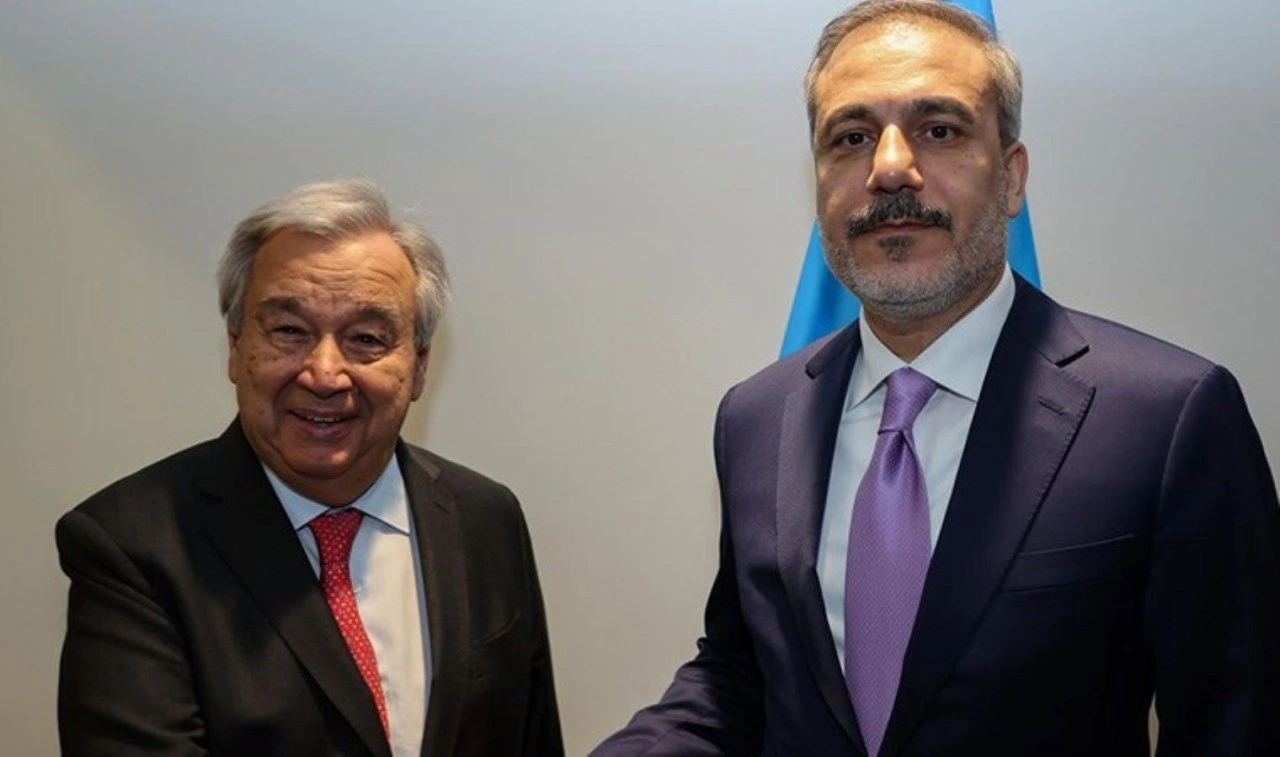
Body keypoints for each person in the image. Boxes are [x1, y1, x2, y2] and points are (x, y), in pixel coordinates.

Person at [594, 1, 1280, 755]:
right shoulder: (756, 418)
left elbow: (1234, 722)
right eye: (852, 138)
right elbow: (741, 678)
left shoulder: (1170, 417)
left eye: (939, 130)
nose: (890, 168)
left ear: (1011, 177)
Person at [56, 178, 563, 756]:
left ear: (419, 366)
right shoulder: (131, 546)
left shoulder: (485, 518)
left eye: (366, 338)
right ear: (236, 347)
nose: (324, 374)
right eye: (290, 332)